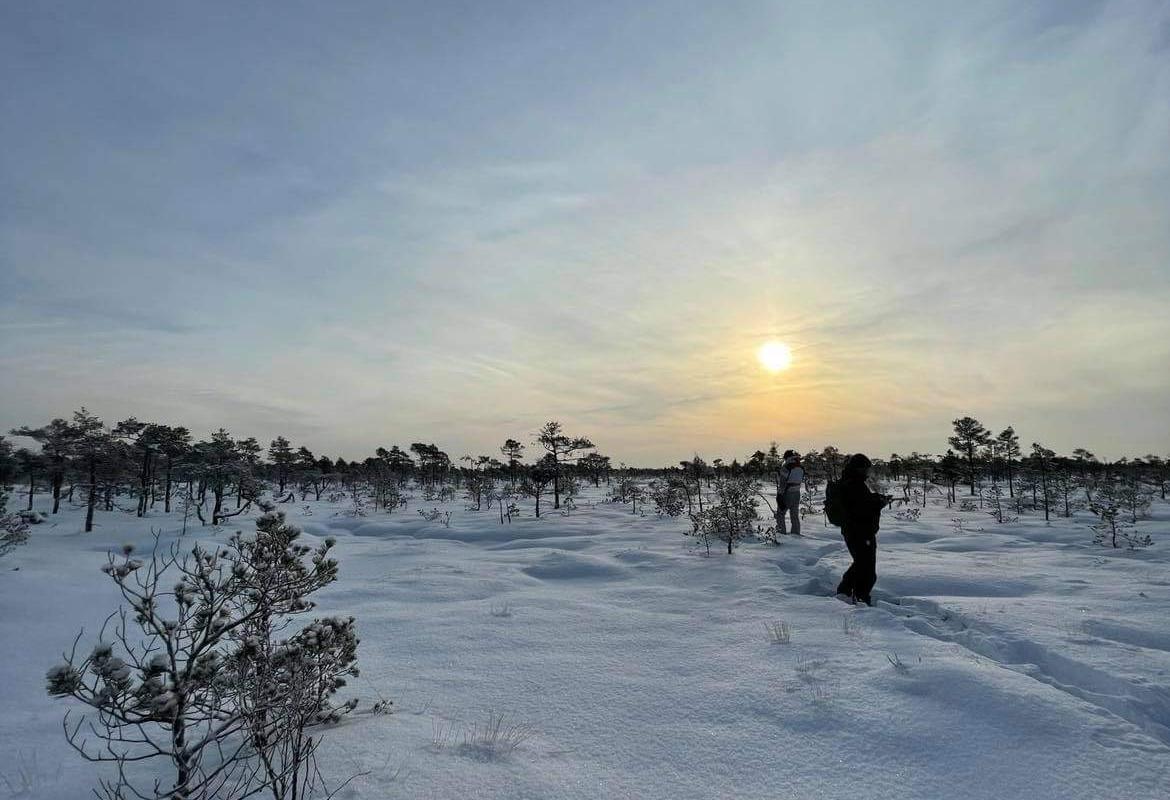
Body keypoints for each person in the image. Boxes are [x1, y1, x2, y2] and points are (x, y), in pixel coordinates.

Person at [835, 453, 893, 606]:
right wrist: (879, 503)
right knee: (866, 569)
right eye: (866, 469)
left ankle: (845, 592)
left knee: (861, 564)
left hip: (855, 531)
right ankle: (860, 598)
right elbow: (860, 508)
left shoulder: (851, 482)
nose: (868, 472)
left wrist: (877, 499)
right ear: (859, 469)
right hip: (859, 532)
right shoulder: (853, 484)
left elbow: (862, 502)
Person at [778, 450, 803, 536]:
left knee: (780, 513)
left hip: (788, 492)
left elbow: (782, 482)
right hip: (797, 492)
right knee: (794, 514)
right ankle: (796, 533)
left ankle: (781, 534)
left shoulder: (786, 467)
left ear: (786, 457)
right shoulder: (800, 466)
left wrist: (780, 494)